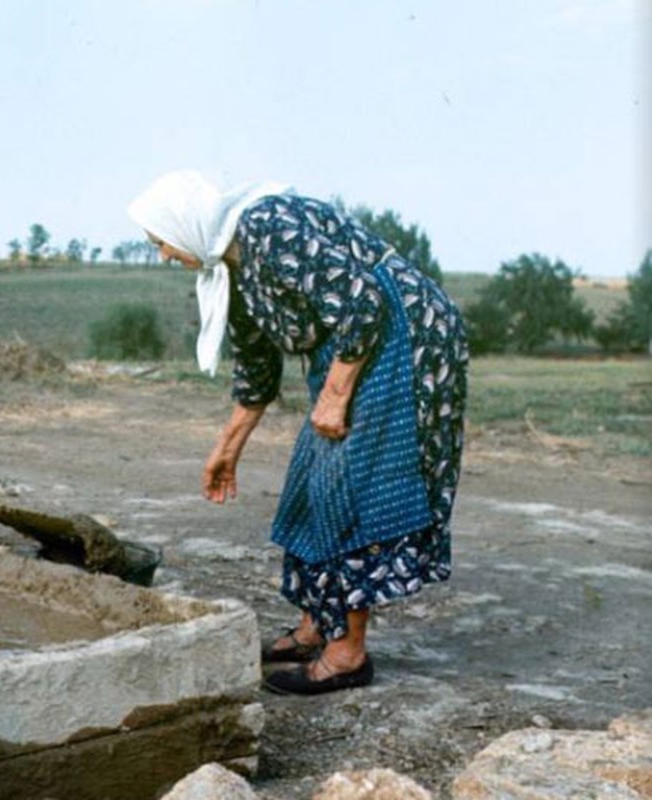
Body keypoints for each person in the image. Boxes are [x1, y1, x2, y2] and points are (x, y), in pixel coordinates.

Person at [128, 171, 468, 695]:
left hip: (403, 336)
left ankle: (348, 653)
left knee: (350, 484)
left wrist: (334, 394)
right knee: (313, 480)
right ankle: (317, 626)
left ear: (185, 223)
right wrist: (227, 449)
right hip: (357, 344)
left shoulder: (267, 226)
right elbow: (257, 370)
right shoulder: (231, 269)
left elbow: (363, 303)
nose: (164, 256)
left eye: (161, 242)